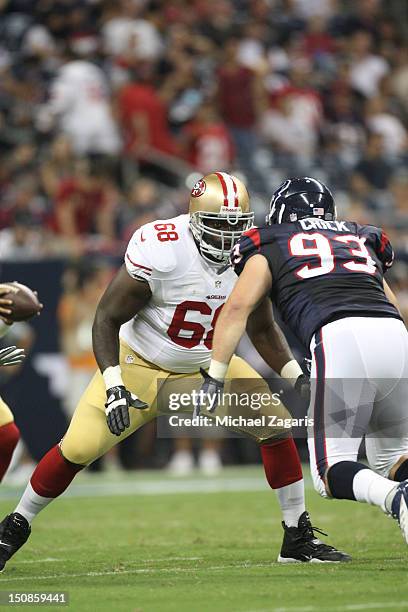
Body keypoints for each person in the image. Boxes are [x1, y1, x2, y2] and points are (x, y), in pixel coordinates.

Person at [0, 172, 349, 570]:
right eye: (219, 228)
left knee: (275, 425)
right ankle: (14, 526)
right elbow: (106, 318)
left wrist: (294, 376)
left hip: (206, 369)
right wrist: (114, 383)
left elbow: (262, 326)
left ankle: (296, 538)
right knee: (77, 448)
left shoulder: (250, 252)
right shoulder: (162, 247)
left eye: (237, 227)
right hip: (139, 365)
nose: (229, 239)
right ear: (196, 220)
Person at [198, 176, 408, 548]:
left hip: (340, 336)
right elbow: (391, 306)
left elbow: (236, 309)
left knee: (330, 470)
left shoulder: (270, 240)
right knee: (393, 458)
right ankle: (400, 492)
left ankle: (397, 499)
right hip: (395, 336)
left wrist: (215, 375)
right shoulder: (359, 235)